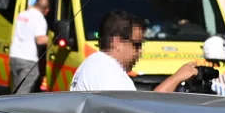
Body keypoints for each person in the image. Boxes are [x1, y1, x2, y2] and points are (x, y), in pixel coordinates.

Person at [70, 10, 199, 93]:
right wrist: (176, 78)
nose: (140, 52)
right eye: (137, 45)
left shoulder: (94, 63)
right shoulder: (109, 72)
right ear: (117, 42)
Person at [9, 0, 51, 94]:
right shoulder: (40, 19)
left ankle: (11, 106)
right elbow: (40, 40)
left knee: (16, 87)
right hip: (28, 58)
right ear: (47, 10)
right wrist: (52, 39)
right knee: (22, 91)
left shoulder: (22, 14)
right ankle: (17, 108)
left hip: (14, 55)